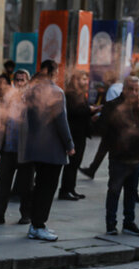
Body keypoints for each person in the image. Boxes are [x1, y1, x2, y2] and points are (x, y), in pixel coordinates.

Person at [19, 60, 75, 241]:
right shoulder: (56, 92)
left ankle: (35, 224)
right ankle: (38, 225)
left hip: (36, 146)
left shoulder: (32, 91)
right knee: (47, 188)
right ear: (53, 72)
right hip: (52, 148)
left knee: (39, 186)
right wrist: (69, 144)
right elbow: (61, 120)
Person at [100, 76, 139, 236]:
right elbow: (102, 129)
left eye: (137, 89)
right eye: (131, 89)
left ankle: (129, 222)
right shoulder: (112, 105)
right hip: (118, 157)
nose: (134, 93)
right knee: (114, 191)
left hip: (136, 157)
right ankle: (110, 223)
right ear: (124, 89)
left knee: (132, 192)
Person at [0, 69, 33, 225]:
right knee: (2, 184)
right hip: (7, 149)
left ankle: (26, 215)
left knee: (27, 186)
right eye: (17, 80)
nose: (19, 83)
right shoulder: (8, 99)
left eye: (22, 80)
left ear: (27, 82)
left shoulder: (32, 100)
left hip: (25, 151)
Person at [58, 69, 96, 201]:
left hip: (81, 133)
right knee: (72, 163)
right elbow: (73, 111)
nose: (86, 82)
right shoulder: (70, 94)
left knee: (76, 163)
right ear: (76, 80)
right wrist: (89, 110)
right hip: (74, 132)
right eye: (83, 79)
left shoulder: (80, 94)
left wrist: (91, 112)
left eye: (86, 79)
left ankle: (71, 188)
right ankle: (65, 190)